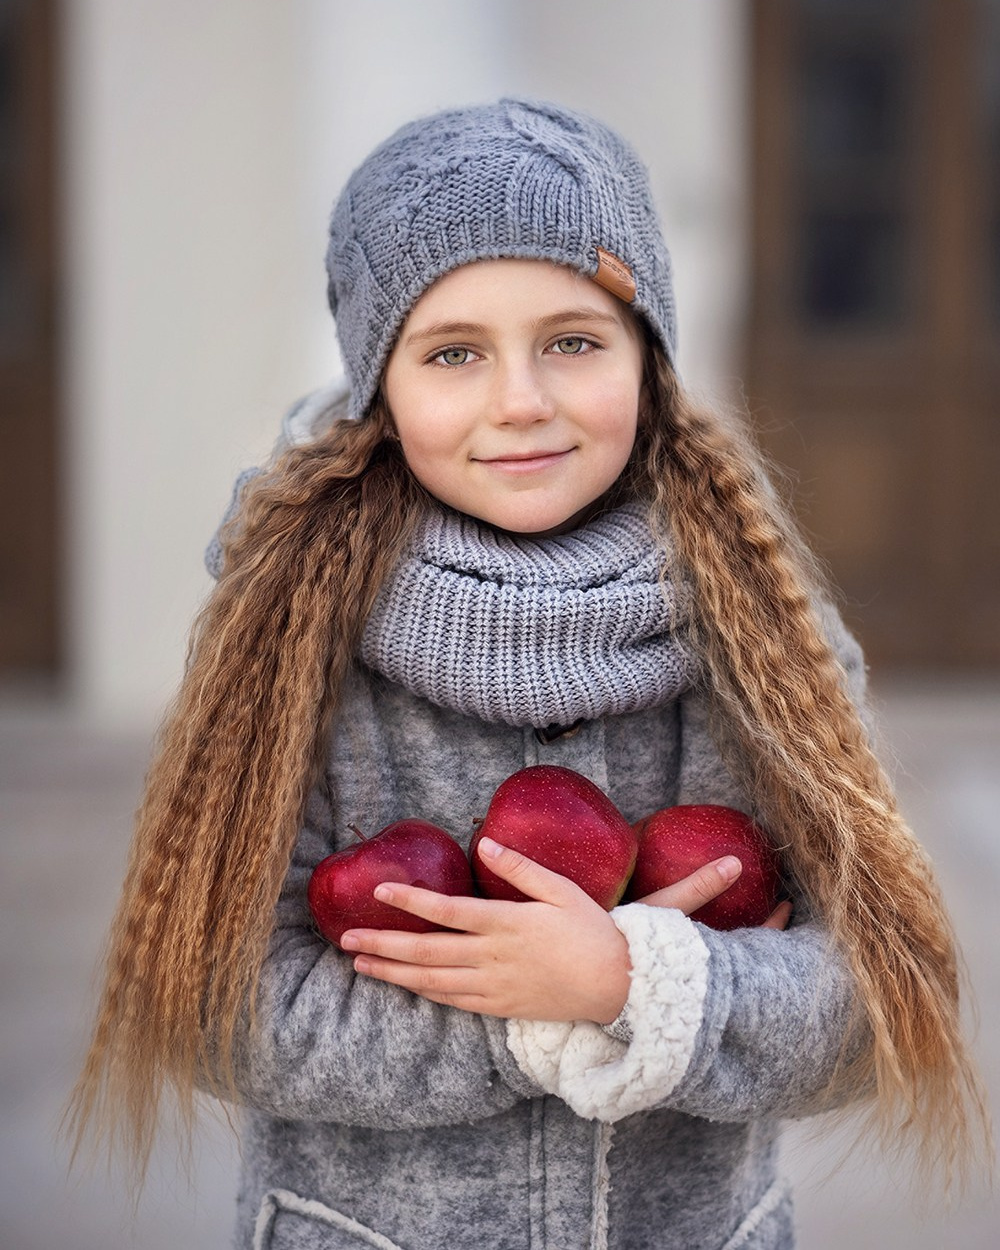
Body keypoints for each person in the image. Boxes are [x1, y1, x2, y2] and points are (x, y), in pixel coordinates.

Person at [67, 99, 987, 1249]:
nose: (520, 399)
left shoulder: (763, 626)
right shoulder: (288, 632)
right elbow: (213, 1005)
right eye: (454, 352)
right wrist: (523, 1012)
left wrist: (636, 985)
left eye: (573, 340)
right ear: (378, 388)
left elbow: (875, 999)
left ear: (646, 360)